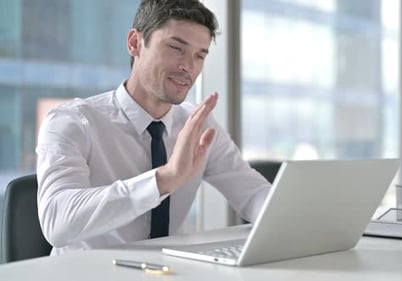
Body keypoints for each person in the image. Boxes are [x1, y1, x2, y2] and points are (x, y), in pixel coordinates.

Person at [36, 0, 271, 255]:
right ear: (135, 43)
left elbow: (253, 194)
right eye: (175, 48)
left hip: (170, 271)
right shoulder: (73, 122)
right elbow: (57, 222)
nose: (188, 67)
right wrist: (164, 179)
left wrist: (296, 220)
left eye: (199, 55)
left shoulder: (198, 126)